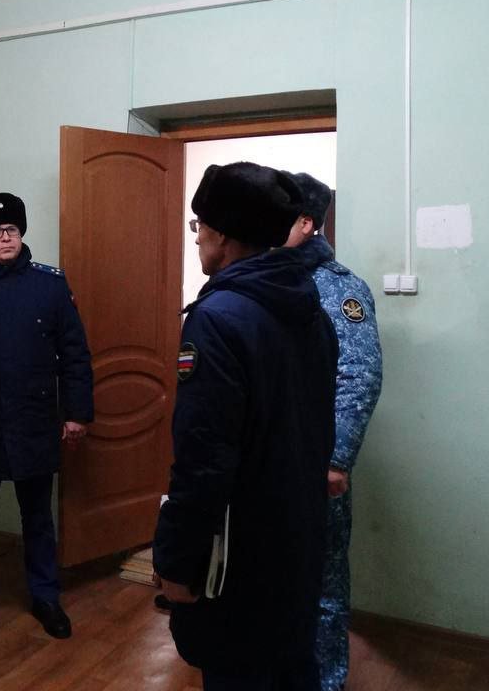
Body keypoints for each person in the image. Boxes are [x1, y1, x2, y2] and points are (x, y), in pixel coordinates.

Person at [153, 162, 338, 690]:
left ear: (225, 236)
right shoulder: (310, 310)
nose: (197, 238)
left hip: (239, 554)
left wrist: (177, 563)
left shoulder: (218, 319)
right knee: (291, 667)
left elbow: (204, 459)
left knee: (238, 672)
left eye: (200, 227)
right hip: (298, 538)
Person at [0, 192, 94, 640]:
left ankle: (46, 596)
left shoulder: (50, 285)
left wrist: (76, 413)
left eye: (12, 230)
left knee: (38, 517)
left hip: (34, 419)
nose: (6, 237)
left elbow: (75, 354)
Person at [283, 173, 384, 691]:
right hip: (268, 460)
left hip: (316, 462)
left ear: (307, 222)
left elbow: (359, 375)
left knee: (322, 584)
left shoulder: (338, 287)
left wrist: (337, 458)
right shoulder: (262, 277)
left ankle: (325, 680)